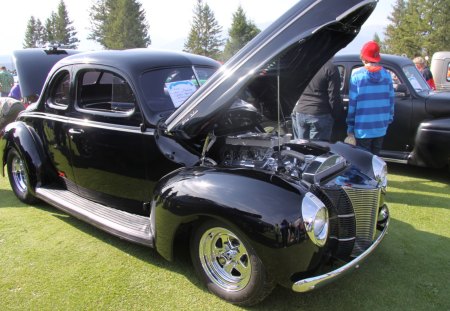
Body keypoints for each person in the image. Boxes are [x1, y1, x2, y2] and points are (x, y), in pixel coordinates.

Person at [346, 41, 394, 155]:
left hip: (362, 127)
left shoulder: (357, 76)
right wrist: (389, 119)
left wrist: (350, 127)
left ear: (363, 58)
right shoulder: (387, 75)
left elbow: (352, 104)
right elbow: (391, 101)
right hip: (381, 125)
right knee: (375, 159)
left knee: (362, 161)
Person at [291, 60, 342, 141]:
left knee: (301, 147)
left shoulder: (302, 65)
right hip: (320, 114)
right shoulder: (331, 68)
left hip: (301, 111)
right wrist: (336, 115)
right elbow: (334, 96)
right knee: (317, 149)